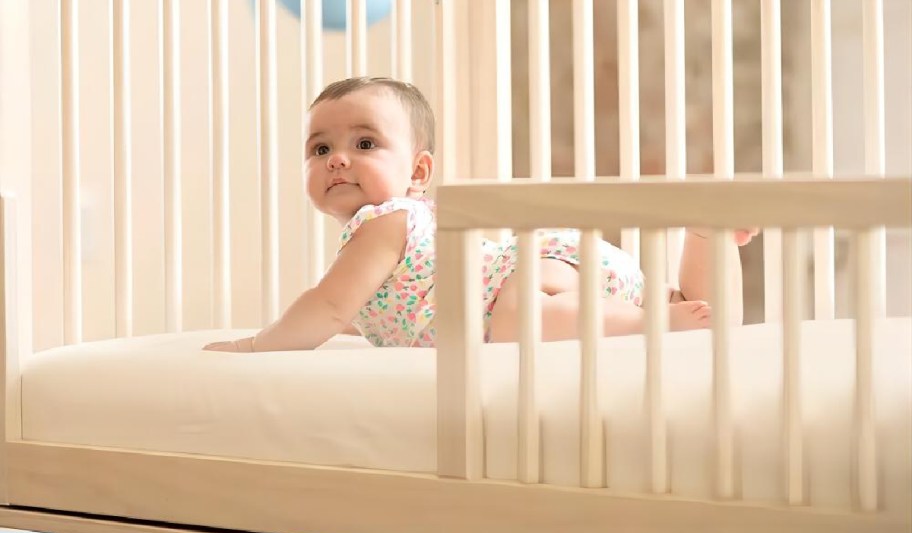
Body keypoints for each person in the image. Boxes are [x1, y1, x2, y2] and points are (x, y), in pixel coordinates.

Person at [204, 77, 756, 352]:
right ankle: (708, 238)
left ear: (418, 173)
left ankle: (654, 324)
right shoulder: (390, 235)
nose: (338, 158)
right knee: (699, 314)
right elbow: (371, 313)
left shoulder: (385, 222)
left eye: (365, 143)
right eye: (320, 149)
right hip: (562, 279)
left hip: (527, 277)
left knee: (516, 318)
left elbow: (327, 306)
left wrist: (258, 345)